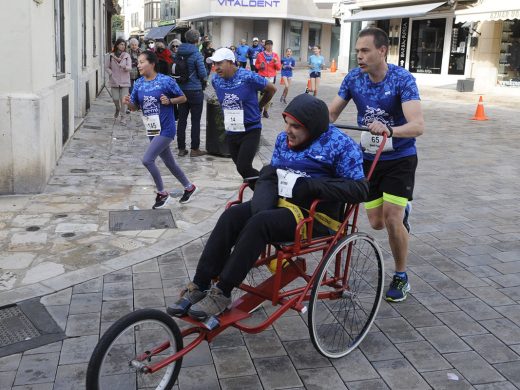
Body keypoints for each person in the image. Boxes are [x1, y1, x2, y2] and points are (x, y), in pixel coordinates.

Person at [167, 93, 369, 320]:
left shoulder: (341, 146)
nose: (288, 131)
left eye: (296, 126)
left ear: (313, 127)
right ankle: (200, 284)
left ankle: (222, 292)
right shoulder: (284, 140)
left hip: (313, 217)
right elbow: (274, 173)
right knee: (232, 215)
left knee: (259, 223)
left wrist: (312, 186)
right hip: (280, 203)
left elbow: (360, 190)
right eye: (287, 123)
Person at [328, 27, 425, 302]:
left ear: (382, 51)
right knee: (376, 222)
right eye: (357, 51)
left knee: (393, 219)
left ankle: (401, 276)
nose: (359, 56)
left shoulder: (402, 79)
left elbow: (418, 125)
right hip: (368, 159)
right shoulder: (353, 79)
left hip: (399, 159)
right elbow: (332, 113)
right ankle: (400, 211)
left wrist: (390, 130)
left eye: (365, 50)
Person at [123, 50, 199, 208]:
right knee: (169, 162)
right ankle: (189, 187)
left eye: (142, 62)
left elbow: (183, 97)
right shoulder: (138, 83)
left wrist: (170, 101)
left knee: (147, 160)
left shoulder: (166, 81)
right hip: (151, 129)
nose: (139, 65)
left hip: (166, 128)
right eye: (138, 62)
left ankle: (162, 193)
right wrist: (128, 103)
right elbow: (135, 107)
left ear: (152, 63)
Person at [206, 48, 276, 180]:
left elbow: (272, 89)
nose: (216, 67)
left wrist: (259, 106)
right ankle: (265, 191)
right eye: (214, 64)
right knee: (241, 168)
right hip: (231, 130)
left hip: (250, 129)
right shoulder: (216, 80)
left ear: (231, 62)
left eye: (220, 63)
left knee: (243, 166)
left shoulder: (248, 77)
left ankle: (267, 189)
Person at [176, 29, 208, 157]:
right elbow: (203, 73)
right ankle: (195, 149)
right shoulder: (196, 54)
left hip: (181, 90)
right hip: (195, 90)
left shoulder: (179, 52)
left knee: (182, 120)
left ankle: (181, 148)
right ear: (197, 40)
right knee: (195, 120)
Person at [105, 38, 132, 121]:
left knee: (124, 100)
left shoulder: (127, 56)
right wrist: (111, 73)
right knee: (115, 98)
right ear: (117, 45)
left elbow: (130, 67)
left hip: (125, 80)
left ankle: (123, 116)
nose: (123, 46)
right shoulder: (111, 56)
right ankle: (117, 108)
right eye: (121, 44)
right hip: (114, 80)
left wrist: (124, 67)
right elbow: (106, 67)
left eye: (124, 45)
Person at [256, 39, 281, 118]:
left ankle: (266, 111)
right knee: (261, 94)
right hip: (262, 76)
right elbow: (256, 65)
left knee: (270, 94)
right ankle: (259, 108)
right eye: (268, 45)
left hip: (271, 77)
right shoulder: (260, 55)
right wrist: (260, 66)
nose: (269, 46)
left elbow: (279, 68)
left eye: (271, 45)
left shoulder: (275, 55)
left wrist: (276, 62)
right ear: (265, 46)